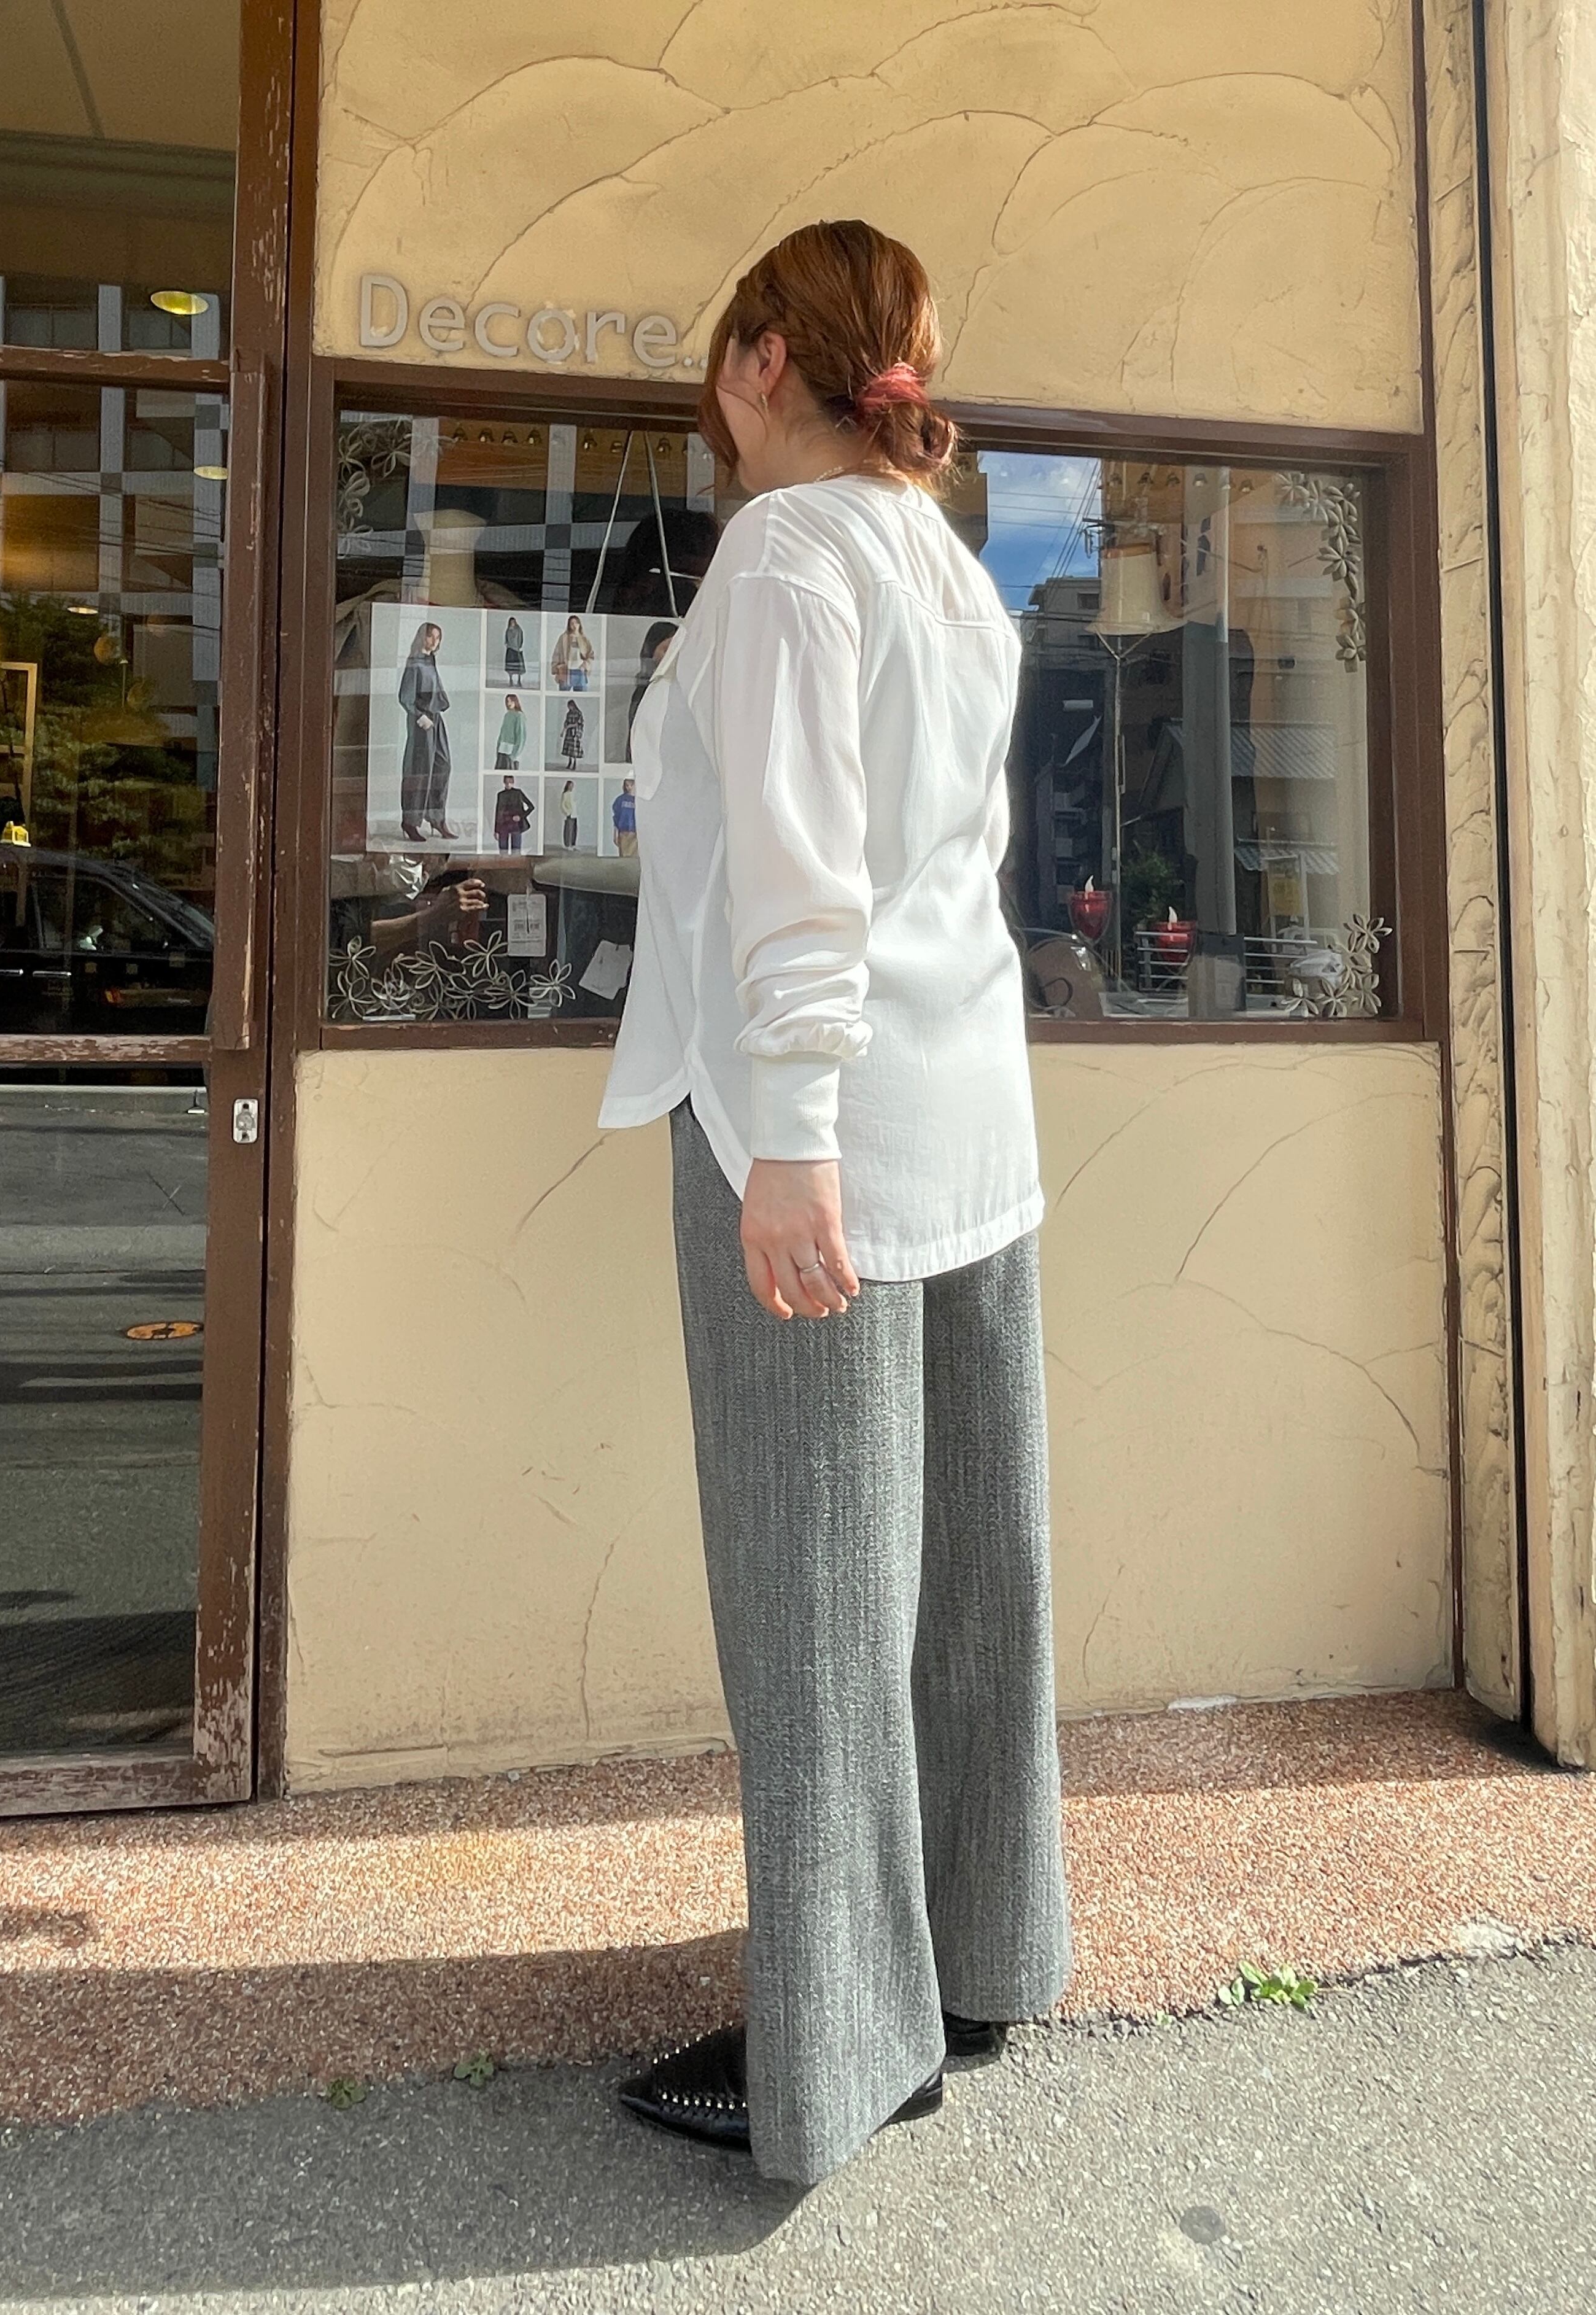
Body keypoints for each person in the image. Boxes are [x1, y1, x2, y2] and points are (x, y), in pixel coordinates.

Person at [598, 219, 1069, 2187]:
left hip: (820, 1143)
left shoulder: (790, 553)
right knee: (968, 1573)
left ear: (757, 363)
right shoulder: (949, 568)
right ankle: (977, 1955)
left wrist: (787, 1138)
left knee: (814, 1590)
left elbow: (802, 876)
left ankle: (839, 2043)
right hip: (967, 1122)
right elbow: (946, 870)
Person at [398, 622, 455, 840]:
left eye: (438, 638)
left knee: (443, 766)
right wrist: (420, 717)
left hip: (436, 720)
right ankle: (411, 822)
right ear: (423, 637)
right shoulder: (414, 663)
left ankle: (436, 818)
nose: (435, 641)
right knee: (419, 771)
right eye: (432, 636)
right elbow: (406, 697)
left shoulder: (430, 661)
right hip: (421, 722)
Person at [550, 613, 595, 691]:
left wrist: (585, 665)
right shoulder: (564, 638)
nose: (574, 625)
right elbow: (557, 653)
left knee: (581, 695)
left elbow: (591, 655)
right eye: (572, 623)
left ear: (580, 625)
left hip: (580, 671)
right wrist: (556, 668)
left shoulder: (584, 639)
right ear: (569, 625)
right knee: (564, 695)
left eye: (576, 623)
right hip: (566, 671)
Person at [494, 770, 533, 854]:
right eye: (507, 782)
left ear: (513, 782)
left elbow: (531, 807)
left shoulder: (518, 793)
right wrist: (496, 830)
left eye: (510, 782)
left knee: (516, 851)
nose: (508, 784)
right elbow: (498, 813)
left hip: (516, 825)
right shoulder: (501, 795)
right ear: (504, 782)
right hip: (503, 825)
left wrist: (521, 817)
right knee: (503, 851)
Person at [495, 693, 527, 770]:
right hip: (502, 750)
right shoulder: (507, 715)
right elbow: (502, 733)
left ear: (515, 702)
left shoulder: (519, 716)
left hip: (511, 751)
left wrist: (515, 754)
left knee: (510, 774)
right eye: (508, 702)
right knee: (500, 773)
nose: (509, 704)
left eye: (511, 701)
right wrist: (498, 747)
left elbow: (521, 736)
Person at [611, 775, 637, 858]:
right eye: (627, 785)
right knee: (624, 858)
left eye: (631, 785)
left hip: (636, 834)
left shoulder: (639, 801)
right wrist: (615, 834)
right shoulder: (620, 800)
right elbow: (616, 818)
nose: (629, 788)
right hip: (623, 833)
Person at [559, 778, 579, 850]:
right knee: (569, 830)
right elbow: (562, 805)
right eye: (570, 786)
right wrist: (567, 813)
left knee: (574, 830)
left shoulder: (573, 794)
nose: (571, 787)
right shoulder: (565, 794)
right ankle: (567, 845)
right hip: (570, 814)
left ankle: (573, 844)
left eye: (572, 786)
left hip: (575, 814)